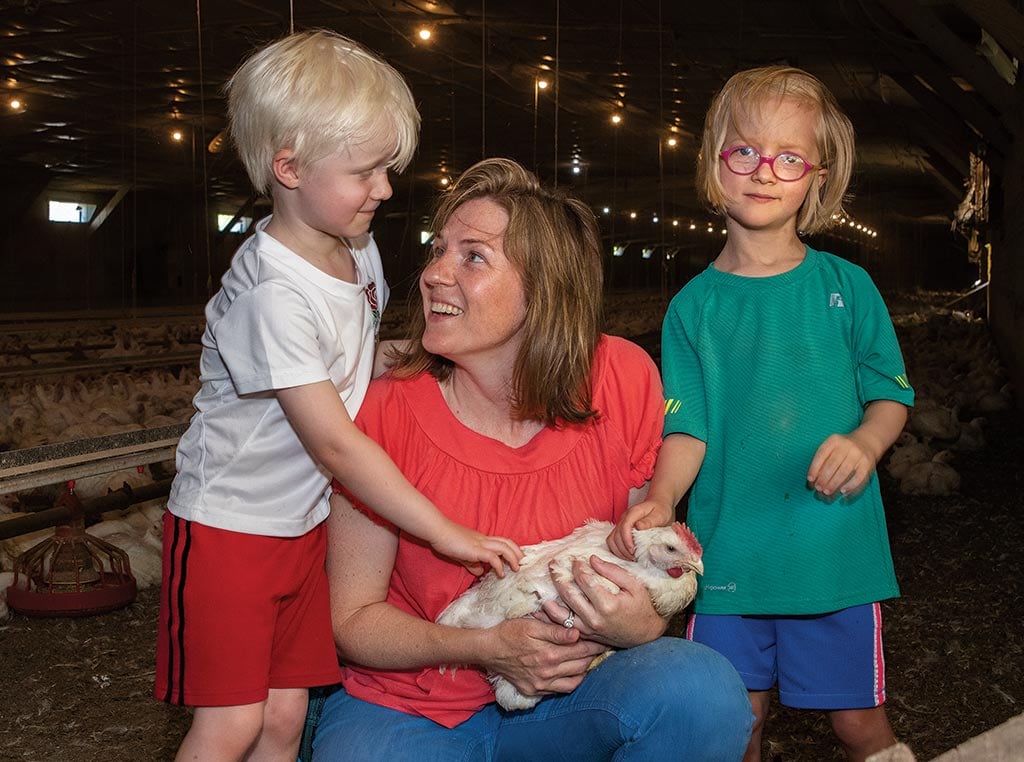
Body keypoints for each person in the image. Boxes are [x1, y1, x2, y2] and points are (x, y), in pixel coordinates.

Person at [300, 157, 753, 762]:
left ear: (543, 289)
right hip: (414, 699)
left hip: (576, 689)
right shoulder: (383, 412)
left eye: (473, 256)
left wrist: (637, 625)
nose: (434, 274)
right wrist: (488, 648)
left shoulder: (619, 378)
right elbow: (353, 619)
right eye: (439, 251)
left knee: (701, 691)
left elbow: (638, 566)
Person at [154, 31, 521, 762]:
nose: (384, 188)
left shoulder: (356, 248)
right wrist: (444, 529)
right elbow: (333, 440)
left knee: (286, 717)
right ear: (287, 166)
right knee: (230, 724)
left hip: (300, 525)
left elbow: (356, 358)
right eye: (365, 171)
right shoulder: (272, 293)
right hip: (230, 525)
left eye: (388, 167)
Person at [609, 66, 915, 762]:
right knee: (733, 723)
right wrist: (661, 497)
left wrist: (867, 443)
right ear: (716, 165)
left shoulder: (847, 286)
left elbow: (891, 395)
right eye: (744, 151)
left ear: (817, 177)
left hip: (830, 553)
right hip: (729, 560)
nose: (763, 171)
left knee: (858, 725)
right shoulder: (695, 307)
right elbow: (690, 425)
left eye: (788, 157)